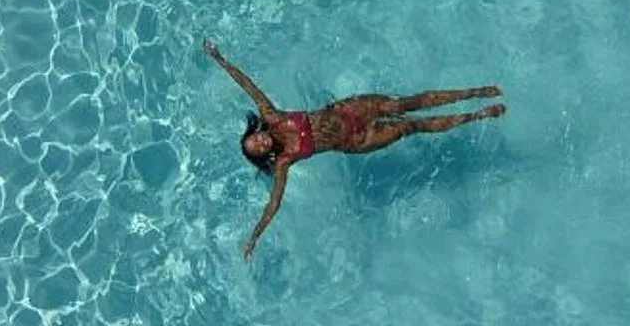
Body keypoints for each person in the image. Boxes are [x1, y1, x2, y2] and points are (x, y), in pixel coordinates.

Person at [203, 40, 504, 259]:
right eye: (256, 149)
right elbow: (274, 203)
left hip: (349, 110)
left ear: (256, 131)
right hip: (356, 141)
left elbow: (248, 85)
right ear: (262, 156)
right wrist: (255, 237)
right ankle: (476, 115)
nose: (259, 142)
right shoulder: (283, 161)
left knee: (405, 104)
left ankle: (475, 92)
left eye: (254, 139)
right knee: (410, 126)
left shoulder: (271, 115)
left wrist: (220, 59)